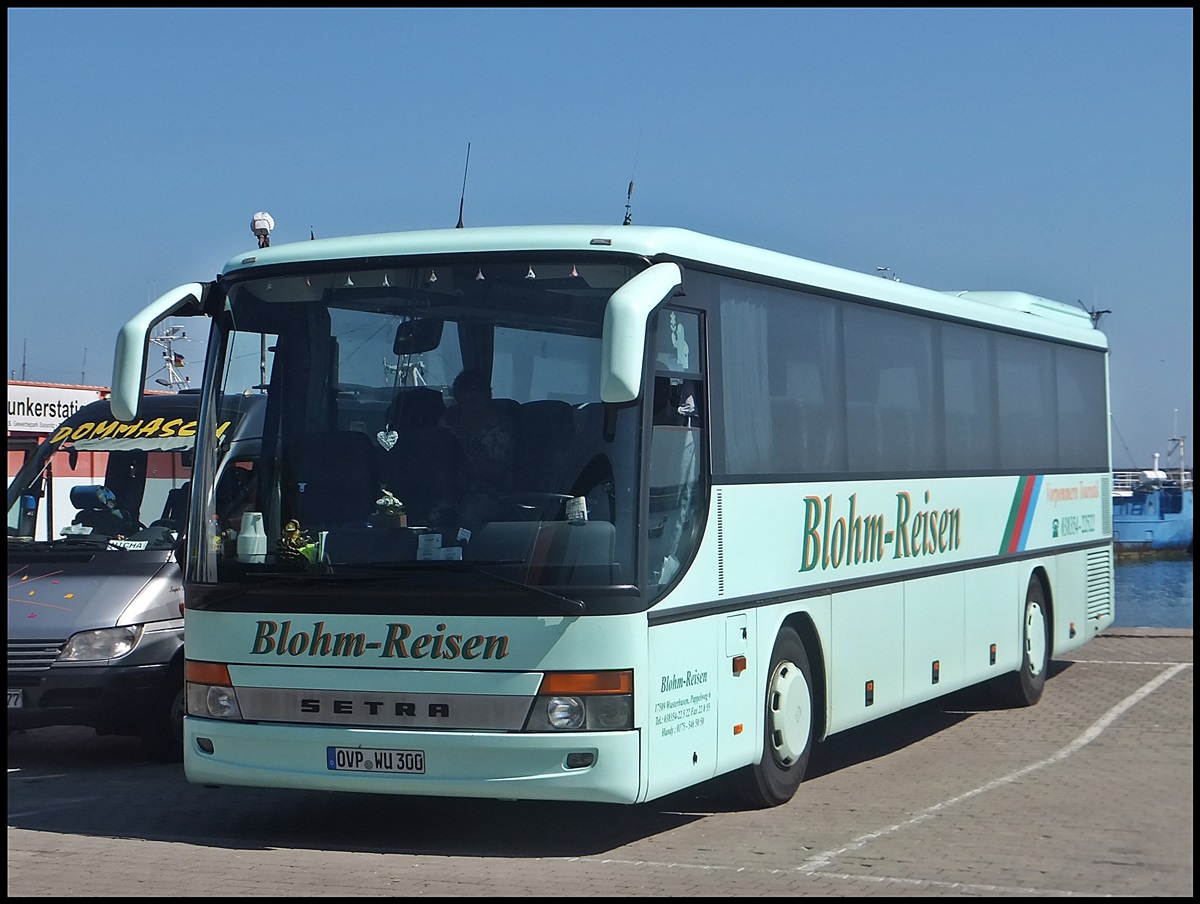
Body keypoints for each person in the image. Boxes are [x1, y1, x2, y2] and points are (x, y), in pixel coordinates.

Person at [432, 369, 517, 530]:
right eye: (465, 401)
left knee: (470, 513)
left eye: (475, 400)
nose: (471, 406)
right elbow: (438, 455)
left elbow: (498, 471)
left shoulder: (502, 427)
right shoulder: (449, 421)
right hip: (449, 491)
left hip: (492, 494)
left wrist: (463, 468)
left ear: (488, 397)